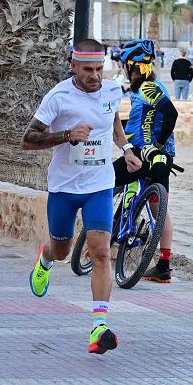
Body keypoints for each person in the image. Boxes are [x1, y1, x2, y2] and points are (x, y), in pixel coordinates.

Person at [23, 38, 137, 355]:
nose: (95, 76)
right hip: (64, 187)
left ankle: (99, 326)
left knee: (100, 252)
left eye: (99, 69)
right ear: (73, 66)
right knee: (62, 250)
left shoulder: (113, 91)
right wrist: (66, 135)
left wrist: (126, 149)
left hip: (99, 184)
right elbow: (28, 139)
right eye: (88, 69)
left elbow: (112, 120)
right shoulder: (59, 97)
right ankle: (45, 260)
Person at [115, 38, 179, 283]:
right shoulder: (148, 88)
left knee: (106, 180)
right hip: (163, 158)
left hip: (146, 154)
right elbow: (138, 123)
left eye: (125, 65)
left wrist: (158, 144)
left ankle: (102, 237)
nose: (124, 70)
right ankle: (163, 265)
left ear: (132, 66)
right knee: (158, 208)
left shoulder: (148, 88)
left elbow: (171, 113)